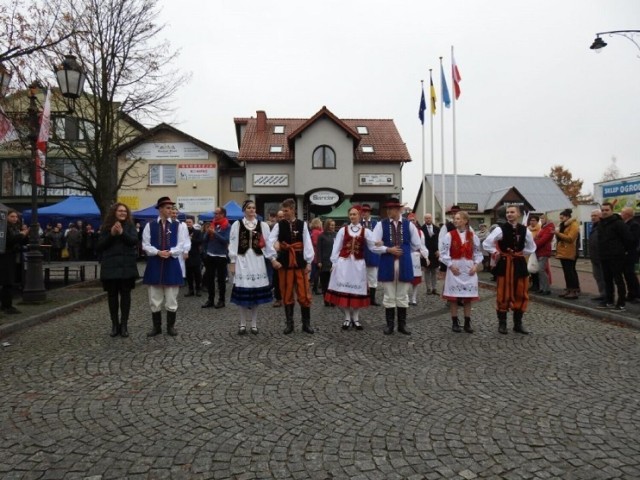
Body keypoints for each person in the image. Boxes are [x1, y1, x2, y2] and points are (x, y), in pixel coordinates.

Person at [371, 196, 429, 335]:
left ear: (399, 210)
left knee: (403, 295)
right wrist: (387, 249)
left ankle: (402, 325)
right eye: (388, 208)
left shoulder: (409, 225)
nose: (389, 211)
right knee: (389, 295)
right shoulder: (381, 224)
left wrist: (411, 251)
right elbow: (373, 245)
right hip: (387, 263)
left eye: (392, 208)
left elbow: (417, 244)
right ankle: (390, 326)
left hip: (404, 263)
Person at [482, 204, 536, 334]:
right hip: (505, 264)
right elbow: (486, 243)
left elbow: (531, 247)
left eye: (512, 212)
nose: (509, 214)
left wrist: (520, 253)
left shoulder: (525, 230)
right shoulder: (499, 229)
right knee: (503, 292)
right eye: (507, 212)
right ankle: (502, 324)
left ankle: (518, 324)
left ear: (518, 214)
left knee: (521, 292)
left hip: (519, 263)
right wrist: (497, 253)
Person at [142, 196, 189, 336]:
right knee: (154, 298)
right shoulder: (149, 226)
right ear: (160, 209)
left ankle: (170, 327)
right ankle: (156, 327)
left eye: (171, 208)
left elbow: (182, 244)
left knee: (171, 298)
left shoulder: (178, 226)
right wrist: (157, 252)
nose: (170, 210)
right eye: (168, 208)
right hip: (155, 264)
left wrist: (170, 252)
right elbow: (145, 244)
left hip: (171, 264)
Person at [325, 206, 378, 330]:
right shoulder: (343, 230)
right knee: (344, 290)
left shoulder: (366, 231)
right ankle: (347, 317)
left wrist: (384, 248)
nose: (352, 216)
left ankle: (356, 318)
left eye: (355, 214)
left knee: (357, 290)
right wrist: (334, 263)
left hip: (358, 265)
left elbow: (373, 246)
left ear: (359, 215)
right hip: (344, 264)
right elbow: (336, 248)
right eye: (351, 214)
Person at [267, 198, 315, 334]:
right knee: (286, 292)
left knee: (304, 293)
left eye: (287, 211)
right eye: (283, 211)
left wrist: (309, 262)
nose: (285, 213)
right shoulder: (279, 225)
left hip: (300, 263)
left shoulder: (302, 225)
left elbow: (308, 243)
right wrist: (273, 259)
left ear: (293, 210)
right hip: (285, 263)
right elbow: (270, 242)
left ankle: (306, 324)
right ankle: (290, 324)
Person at [228, 200, 273, 334]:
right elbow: (233, 243)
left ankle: (253, 324)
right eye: (249, 208)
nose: (252, 210)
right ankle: (242, 324)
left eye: (253, 208)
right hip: (242, 261)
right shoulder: (237, 224)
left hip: (257, 262)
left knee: (255, 296)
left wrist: (272, 258)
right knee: (242, 297)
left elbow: (267, 244)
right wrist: (232, 261)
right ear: (244, 210)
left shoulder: (262, 225)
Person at [96, 203, 139, 337]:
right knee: (112, 297)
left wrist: (122, 233)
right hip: (110, 266)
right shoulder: (106, 227)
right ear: (114, 212)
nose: (122, 213)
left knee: (126, 297)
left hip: (127, 266)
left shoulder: (130, 226)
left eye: (125, 211)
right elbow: (100, 245)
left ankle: (124, 325)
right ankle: (115, 325)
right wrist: (112, 234)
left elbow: (133, 241)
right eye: (120, 211)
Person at [439, 210, 483, 333]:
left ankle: (467, 322)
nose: (455, 221)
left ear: (465, 221)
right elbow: (443, 254)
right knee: (453, 297)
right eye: (455, 219)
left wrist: (475, 266)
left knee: (468, 297)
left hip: (469, 269)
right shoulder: (449, 235)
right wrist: (451, 266)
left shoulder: (472, 236)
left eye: (458, 219)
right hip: (455, 268)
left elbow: (478, 253)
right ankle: (454, 322)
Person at [596, 202, 633, 311]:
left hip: (616, 256)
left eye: (606, 210)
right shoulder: (601, 223)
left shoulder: (618, 223)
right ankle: (609, 300)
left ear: (612, 210)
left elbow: (628, 238)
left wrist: (622, 250)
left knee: (618, 280)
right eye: (602, 210)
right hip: (604, 256)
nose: (604, 212)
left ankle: (621, 303)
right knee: (607, 280)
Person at [201, 206, 231, 309]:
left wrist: (215, 233)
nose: (215, 215)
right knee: (210, 278)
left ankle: (221, 300)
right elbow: (205, 239)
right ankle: (210, 299)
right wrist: (208, 232)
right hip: (210, 254)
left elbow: (226, 240)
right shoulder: (212, 224)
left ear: (222, 214)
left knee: (221, 280)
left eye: (217, 213)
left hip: (221, 255)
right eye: (214, 213)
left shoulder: (227, 226)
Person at [0, 210, 28, 314]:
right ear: (7, 217)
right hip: (5, 256)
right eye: (12, 216)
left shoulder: (15, 227)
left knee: (10, 282)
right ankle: (6, 306)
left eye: (16, 217)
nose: (15, 218)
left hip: (13, 256)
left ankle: (7, 305)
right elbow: (9, 240)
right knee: (7, 282)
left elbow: (20, 241)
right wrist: (21, 235)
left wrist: (25, 235)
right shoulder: (4, 227)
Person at [555, 208, 580, 299]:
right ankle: (569, 289)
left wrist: (558, 234)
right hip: (563, 251)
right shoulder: (563, 225)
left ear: (567, 217)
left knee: (570, 271)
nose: (560, 220)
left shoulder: (573, 225)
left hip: (570, 251)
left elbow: (570, 238)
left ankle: (574, 290)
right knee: (567, 272)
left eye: (562, 218)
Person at [360, 204, 381, 306]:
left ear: (369, 212)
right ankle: (362, 297)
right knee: (361, 277)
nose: (364, 213)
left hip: (372, 254)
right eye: (363, 211)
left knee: (373, 278)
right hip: (361, 254)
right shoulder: (359, 224)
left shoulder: (376, 223)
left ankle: (372, 299)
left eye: (366, 211)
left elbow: (379, 237)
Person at [620, 207, 640, 303]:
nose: (621, 214)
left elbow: (633, 239)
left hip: (630, 254)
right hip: (625, 254)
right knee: (627, 274)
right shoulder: (625, 224)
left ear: (627, 214)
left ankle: (635, 293)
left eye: (622, 213)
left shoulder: (634, 225)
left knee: (630, 274)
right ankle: (631, 293)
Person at [316, 218, 336, 306]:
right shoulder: (321, 236)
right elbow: (318, 249)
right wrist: (319, 261)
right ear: (327, 225)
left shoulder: (336, 235)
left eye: (333, 225)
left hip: (333, 262)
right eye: (331, 225)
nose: (333, 227)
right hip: (324, 262)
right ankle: (326, 300)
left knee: (333, 283)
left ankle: (333, 300)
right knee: (325, 283)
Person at [587, 209, 606, 302]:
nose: (593, 217)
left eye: (595, 215)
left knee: (604, 277)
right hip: (594, 257)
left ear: (600, 216)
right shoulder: (594, 227)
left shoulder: (603, 226)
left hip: (602, 257)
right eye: (592, 216)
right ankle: (602, 294)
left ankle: (607, 295)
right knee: (597, 276)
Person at [534, 214, 555, 296]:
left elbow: (543, 240)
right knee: (540, 270)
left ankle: (546, 289)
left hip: (544, 250)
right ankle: (542, 288)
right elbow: (537, 237)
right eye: (540, 218)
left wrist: (534, 244)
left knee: (541, 270)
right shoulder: (544, 228)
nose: (541, 220)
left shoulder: (548, 228)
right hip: (540, 251)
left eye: (543, 218)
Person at [407, 213, 425, 306]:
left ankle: (413, 298)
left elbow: (422, 245)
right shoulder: (404, 231)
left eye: (413, 220)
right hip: (406, 256)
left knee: (416, 280)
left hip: (416, 257)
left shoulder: (420, 232)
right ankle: (405, 297)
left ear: (416, 221)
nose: (412, 222)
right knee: (405, 279)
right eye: (410, 220)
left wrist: (425, 255)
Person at [184, 217, 204, 297]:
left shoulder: (197, 232)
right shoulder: (183, 232)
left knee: (197, 274)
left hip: (195, 255)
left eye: (189, 222)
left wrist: (191, 239)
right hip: (186, 255)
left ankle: (198, 289)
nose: (188, 223)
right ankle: (190, 290)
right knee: (189, 274)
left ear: (193, 223)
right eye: (187, 222)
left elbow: (200, 241)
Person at [421, 213, 440, 296]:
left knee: (434, 271)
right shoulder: (421, 229)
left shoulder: (437, 229)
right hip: (426, 253)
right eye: (426, 218)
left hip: (435, 252)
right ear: (424, 219)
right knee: (427, 271)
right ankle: (428, 288)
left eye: (429, 218)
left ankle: (434, 288)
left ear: (432, 219)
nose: (428, 219)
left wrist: (439, 250)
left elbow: (440, 240)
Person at [309, 217, 323, 295]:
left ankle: (315, 287)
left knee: (316, 271)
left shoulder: (313, 231)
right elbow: (315, 242)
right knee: (317, 271)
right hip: (316, 254)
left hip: (315, 253)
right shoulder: (316, 232)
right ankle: (315, 288)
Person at [527, 214, 541, 292]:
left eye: (533, 220)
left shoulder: (539, 230)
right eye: (531, 220)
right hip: (529, 251)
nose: (532, 222)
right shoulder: (527, 229)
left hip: (537, 251)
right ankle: (533, 284)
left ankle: (537, 284)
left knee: (535, 268)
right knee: (530, 268)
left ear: (537, 221)